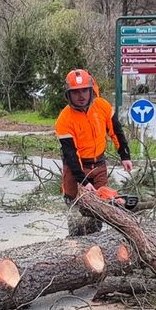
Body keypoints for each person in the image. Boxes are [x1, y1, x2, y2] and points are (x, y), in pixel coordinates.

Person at [54, 69, 133, 234]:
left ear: (91, 90)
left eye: (84, 90)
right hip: (76, 167)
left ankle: (96, 237)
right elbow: (71, 154)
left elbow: (116, 131)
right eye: (76, 92)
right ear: (68, 94)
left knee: (100, 206)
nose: (81, 95)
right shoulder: (64, 119)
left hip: (98, 164)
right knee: (75, 206)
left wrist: (124, 155)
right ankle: (75, 239)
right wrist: (83, 181)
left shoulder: (102, 106)